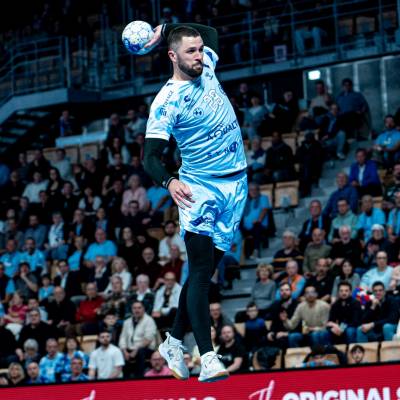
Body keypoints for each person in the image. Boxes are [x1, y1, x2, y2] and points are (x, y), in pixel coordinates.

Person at [143, 22, 248, 382]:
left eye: (200, 49)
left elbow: (212, 33)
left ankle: (173, 341)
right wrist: (169, 181)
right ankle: (207, 356)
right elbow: (150, 157)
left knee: (206, 271)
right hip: (198, 190)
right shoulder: (166, 101)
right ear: (172, 56)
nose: (200, 56)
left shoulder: (208, 65)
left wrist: (166, 28)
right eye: (191, 51)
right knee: (201, 273)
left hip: (236, 185)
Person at [118, 301, 157, 378]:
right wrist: (124, 351)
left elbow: (148, 339)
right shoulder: (127, 322)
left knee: (140, 352)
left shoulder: (149, 320)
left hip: (146, 348)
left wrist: (136, 350)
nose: (137, 310)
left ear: (143, 309)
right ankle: (124, 379)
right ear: (132, 310)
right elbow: (122, 337)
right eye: (134, 308)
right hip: (130, 349)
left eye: (139, 308)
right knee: (119, 352)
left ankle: (139, 378)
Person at [240, 182, 270, 259]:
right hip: (247, 228)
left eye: (255, 189)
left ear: (258, 190)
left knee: (256, 227)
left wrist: (258, 220)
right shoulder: (246, 201)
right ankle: (242, 256)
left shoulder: (263, 198)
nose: (253, 191)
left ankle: (256, 250)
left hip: (259, 225)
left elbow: (264, 210)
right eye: (251, 190)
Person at [266, 283, 299, 349]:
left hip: (293, 332)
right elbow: (274, 322)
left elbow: (299, 325)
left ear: (291, 291)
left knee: (284, 340)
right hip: (279, 333)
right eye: (282, 290)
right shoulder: (275, 305)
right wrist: (271, 332)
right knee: (266, 338)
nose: (284, 292)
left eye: (287, 290)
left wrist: (286, 333)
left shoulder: (297, 305)